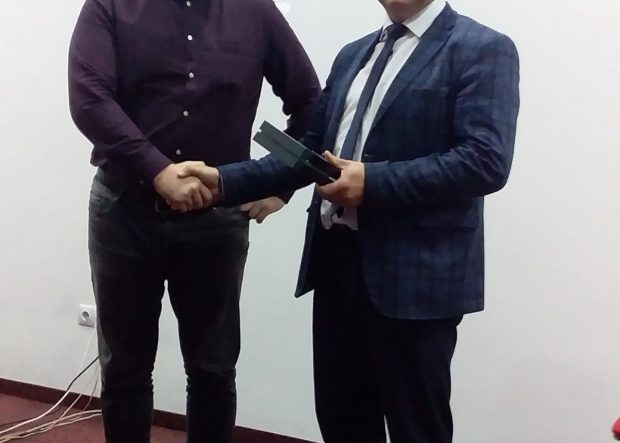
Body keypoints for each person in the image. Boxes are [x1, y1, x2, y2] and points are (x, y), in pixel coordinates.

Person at [178, 0, 520, 442]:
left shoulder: (481, 48)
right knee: (342, 419)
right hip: (336, 264)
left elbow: (485, 161)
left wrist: (373, 182)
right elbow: (310, 151)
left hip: (416, 277)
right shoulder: (353, 54)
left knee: (417, 427)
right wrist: (224, 180)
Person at [68, 0, 320, 441]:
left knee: (213, 370)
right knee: (124, 368)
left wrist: (279, 183)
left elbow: (310, 104)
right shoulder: (111, 5)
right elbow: (89, 98)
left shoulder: (255, 11)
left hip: (215, 222)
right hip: (124, 213)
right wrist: (157, 170)